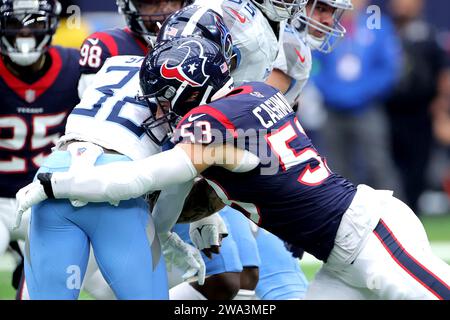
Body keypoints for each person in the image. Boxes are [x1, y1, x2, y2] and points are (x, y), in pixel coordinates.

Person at [19, 36, 450, 300]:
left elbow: (139, 178)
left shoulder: (213, 127)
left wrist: (55, 183)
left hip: (367, 234)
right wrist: (167, 235)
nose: (163, 108)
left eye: (167, 97)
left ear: (190, 90)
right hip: (340, 254)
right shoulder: (254, 90)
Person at [0, 0, 81, 299]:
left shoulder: (76, 68)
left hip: (47, 199)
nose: (24, 32)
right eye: (15, 22)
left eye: (34, 22)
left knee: (47, 290)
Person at [385, 0, 450, 214]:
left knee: (417, 168)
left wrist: (441, 110)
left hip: (421, 111)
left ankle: (411, 213)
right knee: (387, 166)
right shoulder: (383, 31)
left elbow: (443, 73)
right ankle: (392, 213)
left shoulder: (428, 34)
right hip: (387, 109)